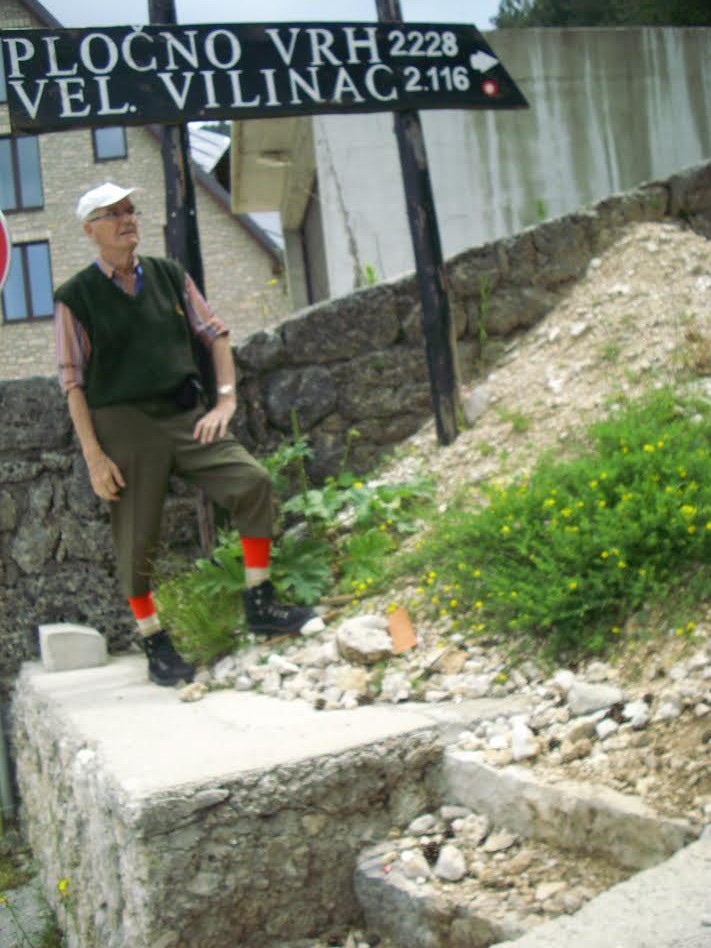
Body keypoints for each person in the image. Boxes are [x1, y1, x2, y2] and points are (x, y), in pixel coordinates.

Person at [54, 182, 318, 687]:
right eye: (113, 214)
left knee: (252, 481)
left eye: (130, 209)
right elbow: (73, 382)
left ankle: (260, 604)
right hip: (123, 423)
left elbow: (216, 333)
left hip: (184, 413)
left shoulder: (168, 276)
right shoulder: (75, 297)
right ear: (90, 231)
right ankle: (154, 641)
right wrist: (94, 457)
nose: (127, 219)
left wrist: (226, 399)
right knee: (136, 535)